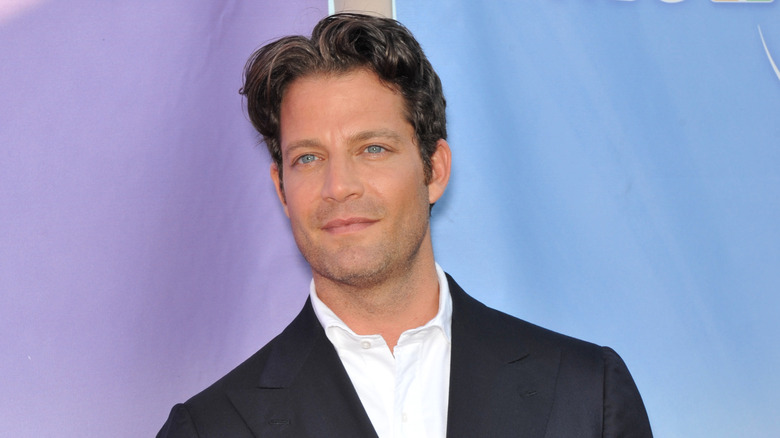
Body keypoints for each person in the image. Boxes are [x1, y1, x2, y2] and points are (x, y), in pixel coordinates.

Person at [157, 13, 652, 438]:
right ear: (282, 189)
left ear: (433, 170)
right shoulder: (209, 428)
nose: (339, 186)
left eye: (372, 149)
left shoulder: (587, 394)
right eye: (308, 158)